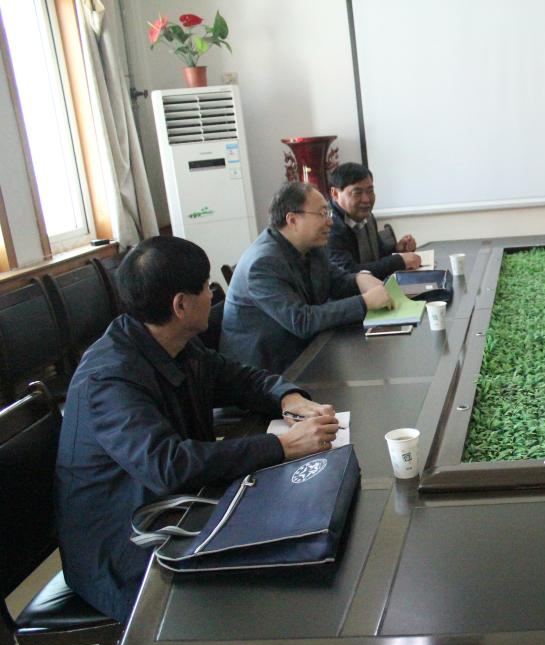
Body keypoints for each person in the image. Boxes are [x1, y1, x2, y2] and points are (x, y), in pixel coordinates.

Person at [55, 236, 341, 623]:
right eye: (206, 286)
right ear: (181, 305)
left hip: (176, 509)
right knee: (273, 585)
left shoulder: (171, 341)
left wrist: (287, 398)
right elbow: (168, 465)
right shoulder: (109, 378)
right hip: (124, 546)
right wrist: (283, 446)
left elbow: (237, 378)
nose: (212, 294)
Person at [221, 182, 393, 375]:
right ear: (292, 220)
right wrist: (365, 302)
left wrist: (359, 279)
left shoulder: (311, 247)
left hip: (305, 352)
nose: (330, 221)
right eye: (322, 214)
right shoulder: (262, 263)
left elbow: (336, 282)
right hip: (266, 373)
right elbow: (301, 321)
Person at [327, 162, 420, 278]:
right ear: (335, 193)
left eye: (370, 191)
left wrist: (398, 249)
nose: (366, 199)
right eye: (357, 193)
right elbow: (348, 272)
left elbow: (378, 254)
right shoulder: (328, 225)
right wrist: (398, 261)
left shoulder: (367, 216)